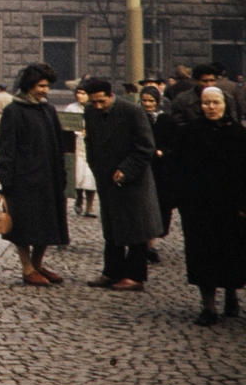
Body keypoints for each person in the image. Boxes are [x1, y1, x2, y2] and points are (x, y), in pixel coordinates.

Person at [82, 78, 162, 292]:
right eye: (94, 102)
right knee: (111, 228)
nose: (97, 106)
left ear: (110, 95)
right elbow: (89, 142)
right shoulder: (90, 112)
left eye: (101, 101)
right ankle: (112, 272)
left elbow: (146, 147)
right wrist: (95, 165)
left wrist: (126, 169)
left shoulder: (132, 112)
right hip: (106, 178)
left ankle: (135, 276)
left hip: (133, 180)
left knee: (136, 228)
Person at [0, 63, 70, 286]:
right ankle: (27, 268)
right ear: (29, 86)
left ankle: (38, 264)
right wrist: (7, 180)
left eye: (47, 86)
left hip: (50, 178)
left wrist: (62, 173)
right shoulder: (13, 111)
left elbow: (58, 144)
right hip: (24, 179)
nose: (45, 90)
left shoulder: (48, 110)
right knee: (24, 226)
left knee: (48, 224)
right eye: (41, 86)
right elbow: (6, 148)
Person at [175, 87, 246, 325]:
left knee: (231, 254)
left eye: (216, 102)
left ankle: (231, 294)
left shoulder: (239, 134)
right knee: (202, 255)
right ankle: (208, 307)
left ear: (225, 104)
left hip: (231, 208)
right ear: (200, 105)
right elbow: (178, 169)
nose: (211, 108)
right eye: (206, 103)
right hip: (199, 207)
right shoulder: (189, 133)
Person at [144, 86, 181, 261]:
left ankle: (152, 243)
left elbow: (175, 144)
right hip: (143, 167)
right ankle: (144, 243)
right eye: (144, 101)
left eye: (151, 101)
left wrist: (163, 152)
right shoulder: (137, 118)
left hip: (161, 170)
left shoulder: (166, 120)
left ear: (158, 102)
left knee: (159, 205)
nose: (147, 104)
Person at [65, 84, 97, 218]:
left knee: (90, 177)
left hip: (92, 148)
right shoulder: (71, 108)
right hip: (76, 146)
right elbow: (65, 126)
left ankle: (89, 208)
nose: (80, 96)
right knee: (77, 176)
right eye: (78, 93)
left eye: (83, 93)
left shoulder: (95, 108)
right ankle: (79, 197)